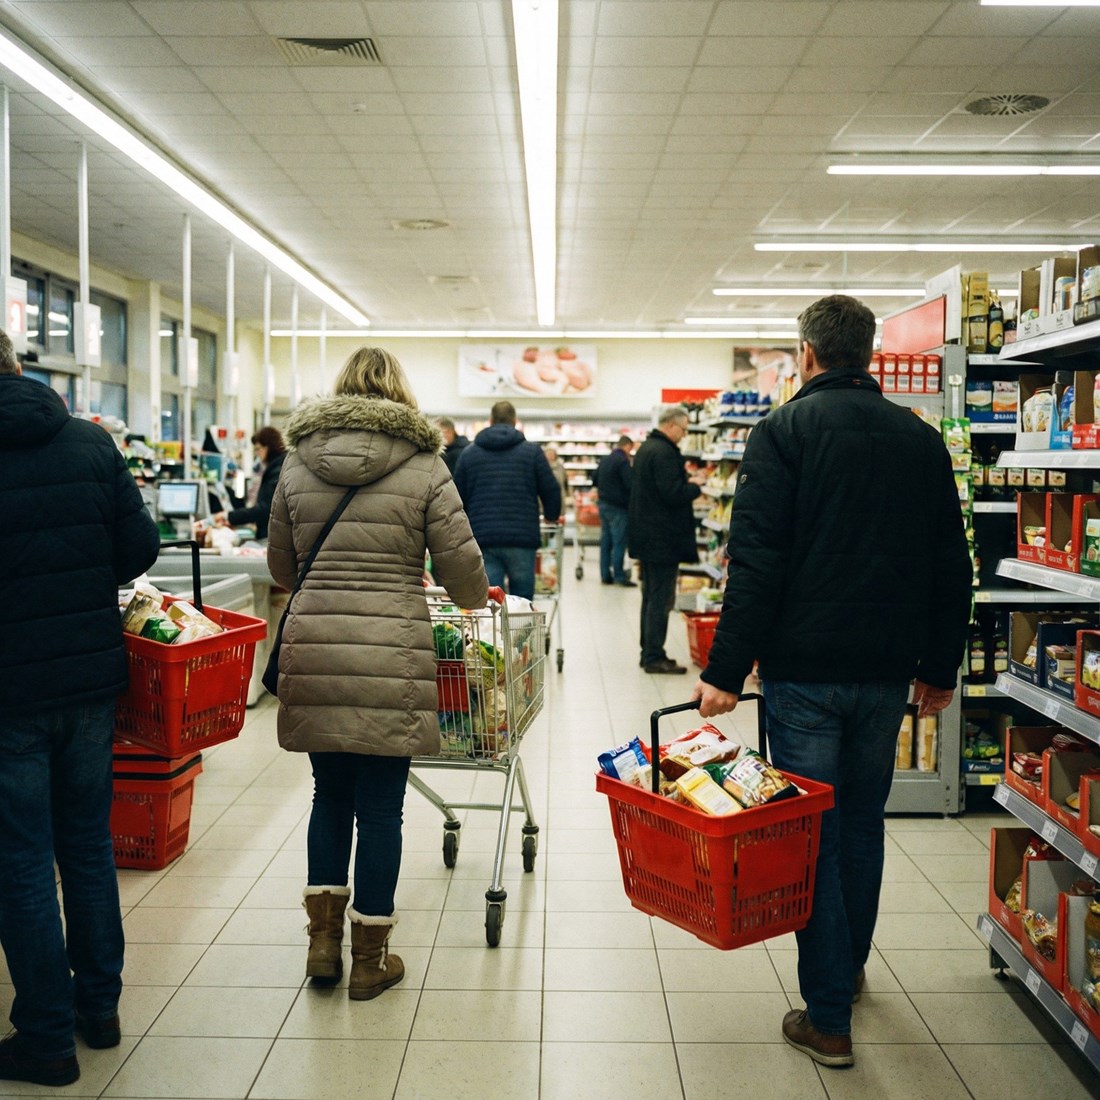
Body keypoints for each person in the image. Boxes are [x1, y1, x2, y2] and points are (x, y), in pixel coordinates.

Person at [691, 295, 971, 1069]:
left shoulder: (782, 434)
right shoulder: (919, 441)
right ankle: (844, 970)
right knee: (860, 825)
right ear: (870, 355)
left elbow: (757, 565)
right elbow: (954, 566)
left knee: (808, 830)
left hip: (804, 672)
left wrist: (723, 670)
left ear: (808, 355)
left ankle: (827, 1018)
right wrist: (940, 667)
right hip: (885, 672)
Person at [267, 346, 487, 1002]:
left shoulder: (296, 463)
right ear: (401, 393)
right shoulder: (425, 465)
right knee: (381, 808)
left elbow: (282, 568)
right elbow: (466, 580)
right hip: (391, 657)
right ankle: (370, 959)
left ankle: (321, 949)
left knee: (328, 797)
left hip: (317, 651)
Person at [0, 331, 161, 1087]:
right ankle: (101, 1010)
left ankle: (46, 1036)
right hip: (90, 684)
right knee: (88, 847)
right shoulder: (91, 446)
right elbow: (137, 549)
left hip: (9, 696)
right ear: (21, 368)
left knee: (23, 859)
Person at [452, 400, 562, 601]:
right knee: (522, 602)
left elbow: (456, 497)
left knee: (492, 602)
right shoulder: (532, 452)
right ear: (515, 421)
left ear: (490, 421)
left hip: (483, 538)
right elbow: (551, 489)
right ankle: (522, 632)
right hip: (522, 538)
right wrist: (551, 515)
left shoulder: (470, 454)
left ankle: (495, 633)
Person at [627, 405, 706, 673]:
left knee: (651, 597)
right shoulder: (663, 452)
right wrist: (696, 486)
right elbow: (672, 493)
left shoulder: (648, 448)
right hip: (662, 539)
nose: (684, 435)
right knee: (660, 600)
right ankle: (653, 657)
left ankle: (648, 652)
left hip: (649, 537)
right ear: (671, 425)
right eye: (683, 429)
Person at [211, 426, 286, 539]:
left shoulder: (277, 471)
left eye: (258, 448)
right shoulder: (274, 468)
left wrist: (229, 516)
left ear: (269, 447)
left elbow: (265, 508)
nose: (257, 453)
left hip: (273, 535)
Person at [592, 435, 635, 586]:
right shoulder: (623, 461)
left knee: (606, 542)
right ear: (628, 446)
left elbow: (594, 479)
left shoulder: (605, 459)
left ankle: (605, 575)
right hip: (618, 507)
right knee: (619, 542)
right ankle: (619, 576)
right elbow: (630, 484)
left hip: (603, 505)